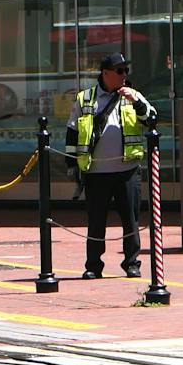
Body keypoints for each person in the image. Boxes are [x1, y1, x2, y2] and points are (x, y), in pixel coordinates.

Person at [66, 52, 156, 279]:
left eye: (126, 70)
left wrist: (136, 102)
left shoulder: (132, 95)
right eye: (119, 71)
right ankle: (93, 266)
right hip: (96, 172)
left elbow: (152, 119)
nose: (124, 75)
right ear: (105, 73)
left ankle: (132, 263)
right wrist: (71, 165)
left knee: (131, 220)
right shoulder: (85, 98)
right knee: (96, 221)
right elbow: (72, 132)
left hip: (127, 170)